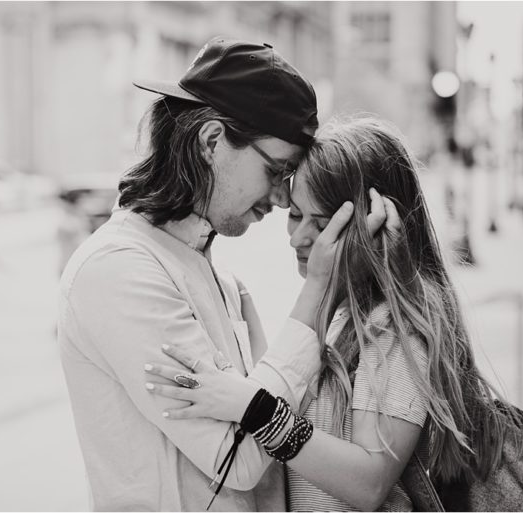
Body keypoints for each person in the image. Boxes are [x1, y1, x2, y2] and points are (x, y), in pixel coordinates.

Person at [58, 37, 395, 511]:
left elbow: (276, 430)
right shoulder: (118, 271)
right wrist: (319, 289)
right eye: (277, 171)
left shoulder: (220, 280)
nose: (281, 198)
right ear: (212, 141)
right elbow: (237, 458)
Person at [145, 117, 523, 511]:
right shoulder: (347, 311)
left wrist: (252, 407)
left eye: (324, 224)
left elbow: (368, 482)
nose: (299, 238)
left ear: (374, 222)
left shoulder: (395, 326)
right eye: (295, 215)